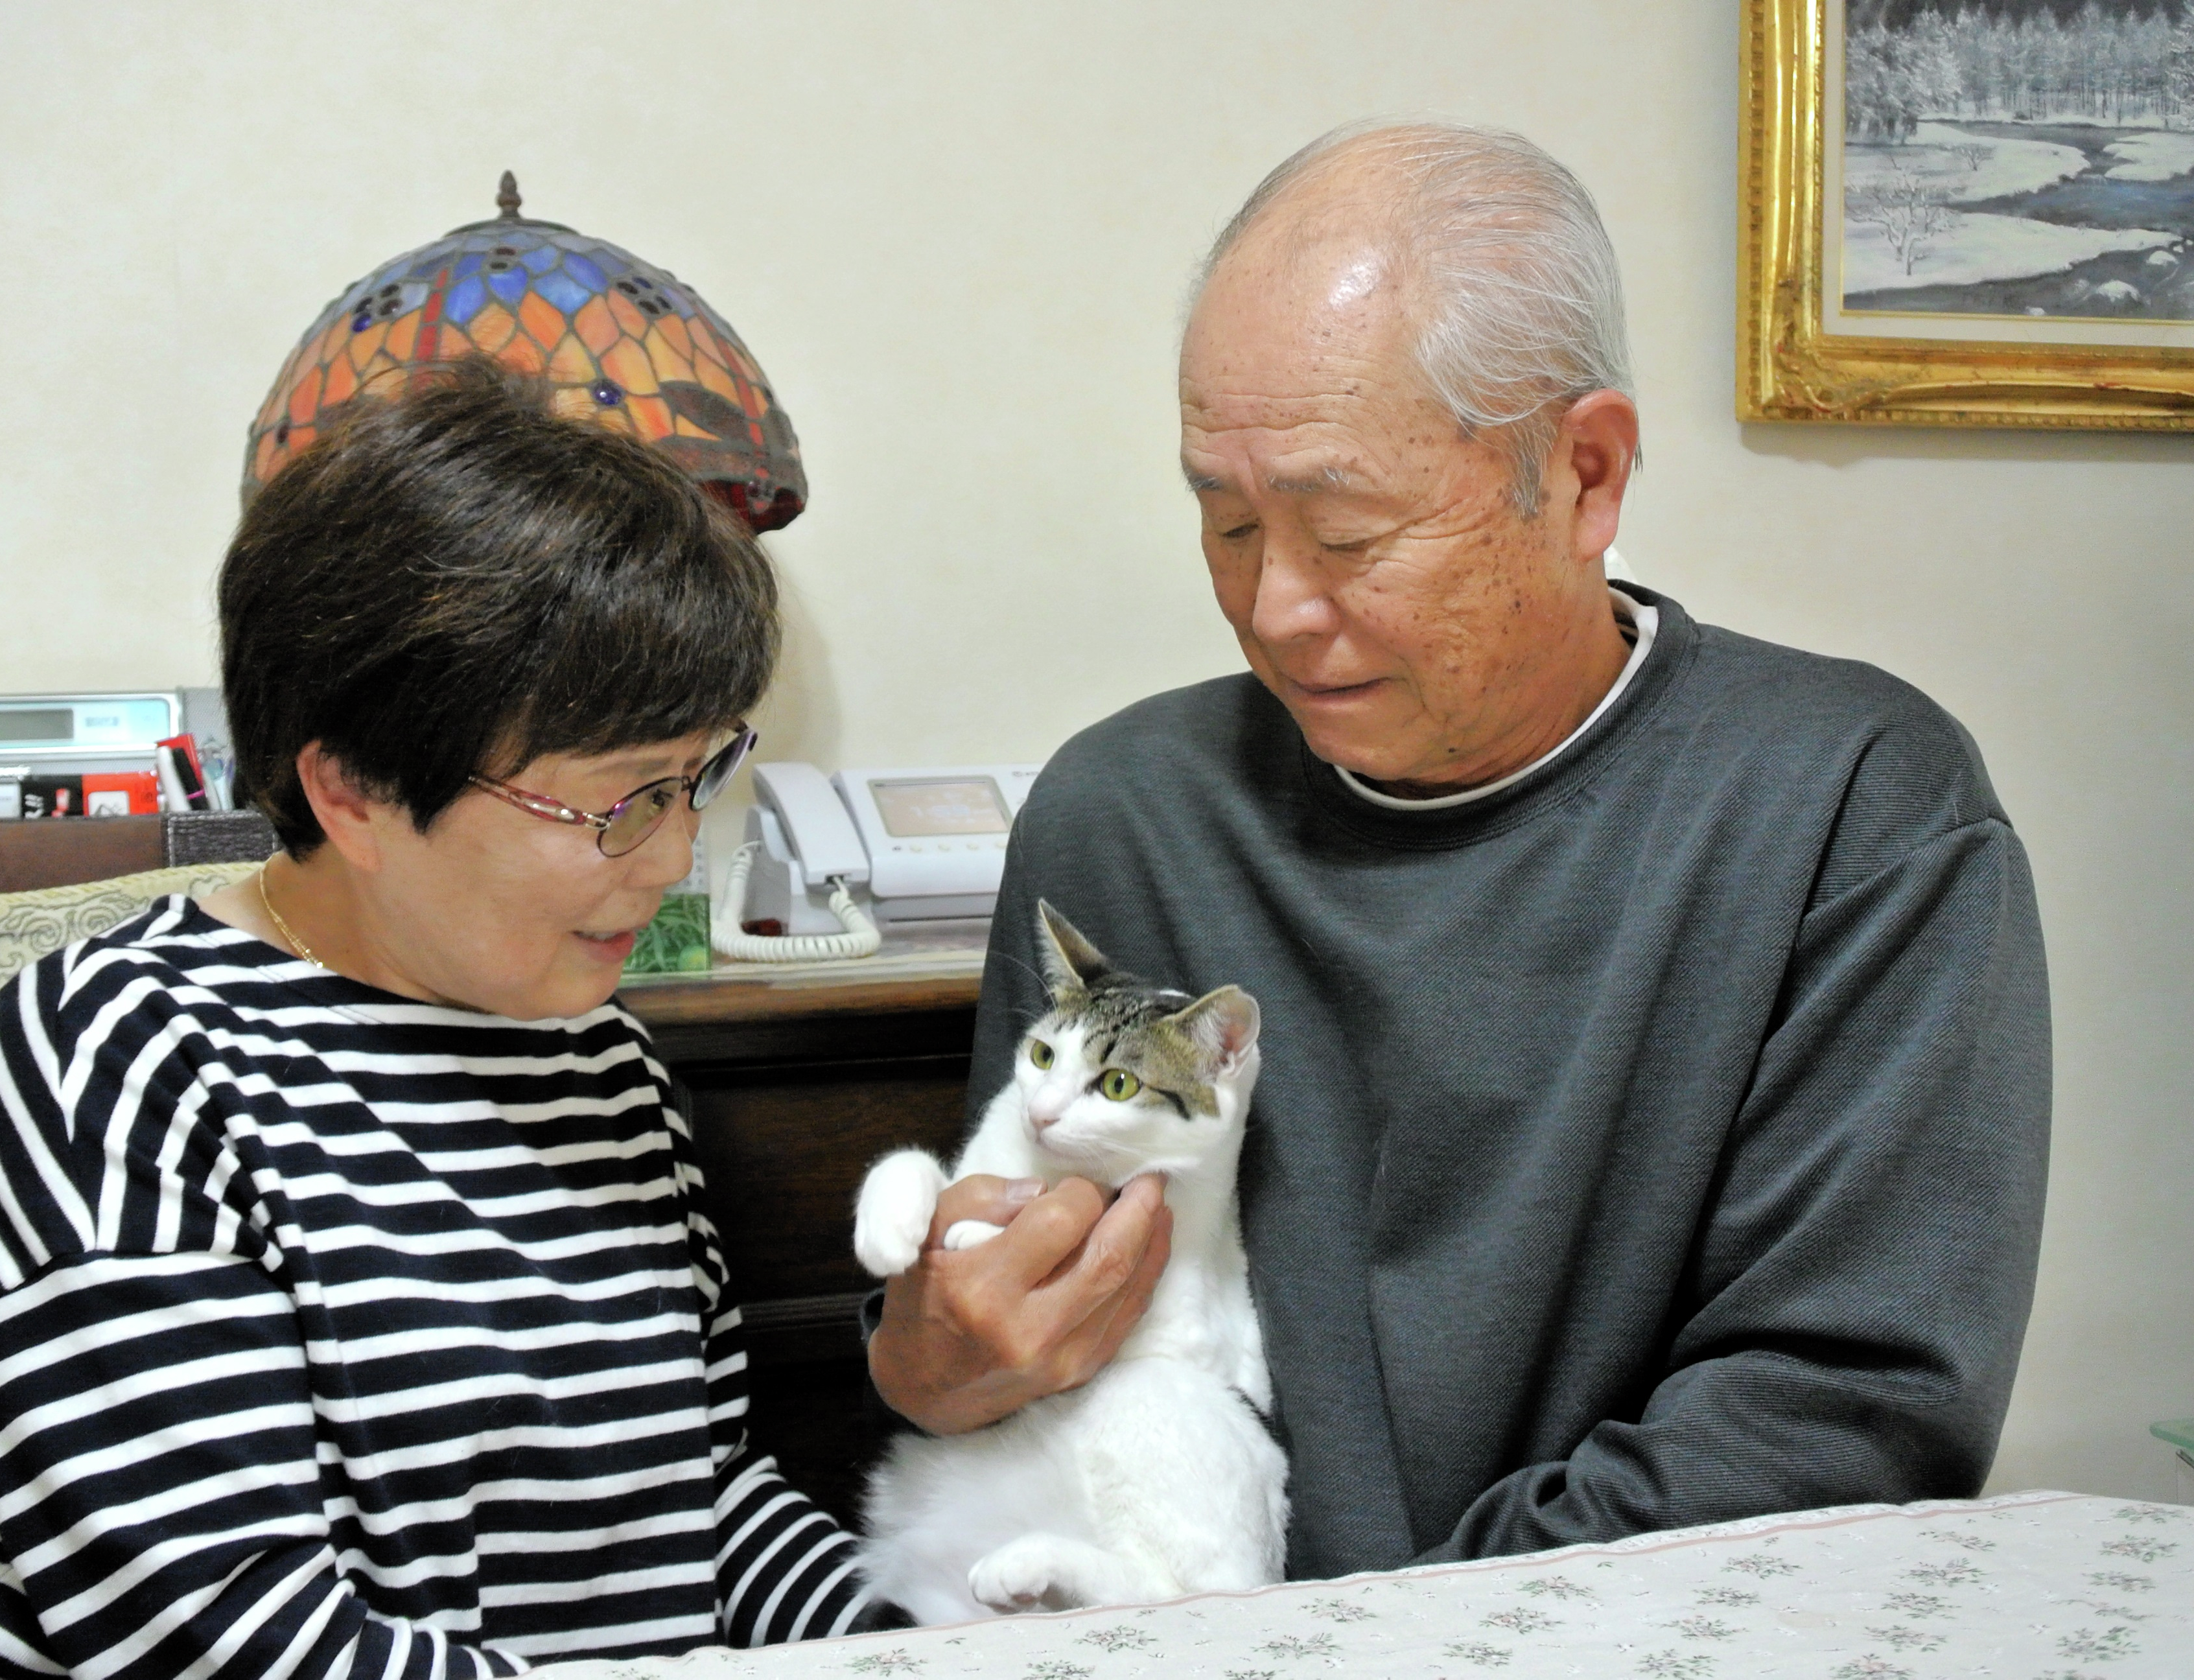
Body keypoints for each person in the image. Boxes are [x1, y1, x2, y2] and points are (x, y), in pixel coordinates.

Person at [868, 120, 2052, 1578]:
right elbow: (1021, 1325)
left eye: (1348, 533)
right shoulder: (1128, 810)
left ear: (1586, 474)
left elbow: (1836, 1419)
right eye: (1225, 523)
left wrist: (1374, 1640)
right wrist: (936, 1357)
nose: (1274, 607)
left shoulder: (1852, 806)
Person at [0, 360, 897, 1677]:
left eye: (696, 778)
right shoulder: (120, 1062)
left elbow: (696, 1510)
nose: (672, 857)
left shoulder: (600, 1064)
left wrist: (917, 1639)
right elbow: (223, 1634)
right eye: (619, 801)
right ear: (358, 790)